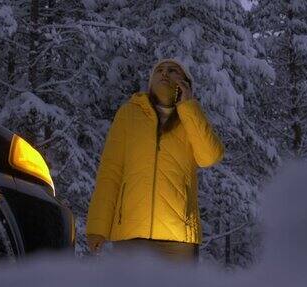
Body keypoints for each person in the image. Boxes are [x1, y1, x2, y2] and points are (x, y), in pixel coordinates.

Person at [85, 58, 225, 264]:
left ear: (185, 82)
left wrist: (187, 106)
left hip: (179, 240)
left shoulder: (190, 118)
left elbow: (210, 156)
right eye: (158, 70)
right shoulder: (129, 114)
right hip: (130, 236)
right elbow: (110, 172)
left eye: (172, 70)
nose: (164, 73)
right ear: (151, 81)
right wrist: (98, 227)